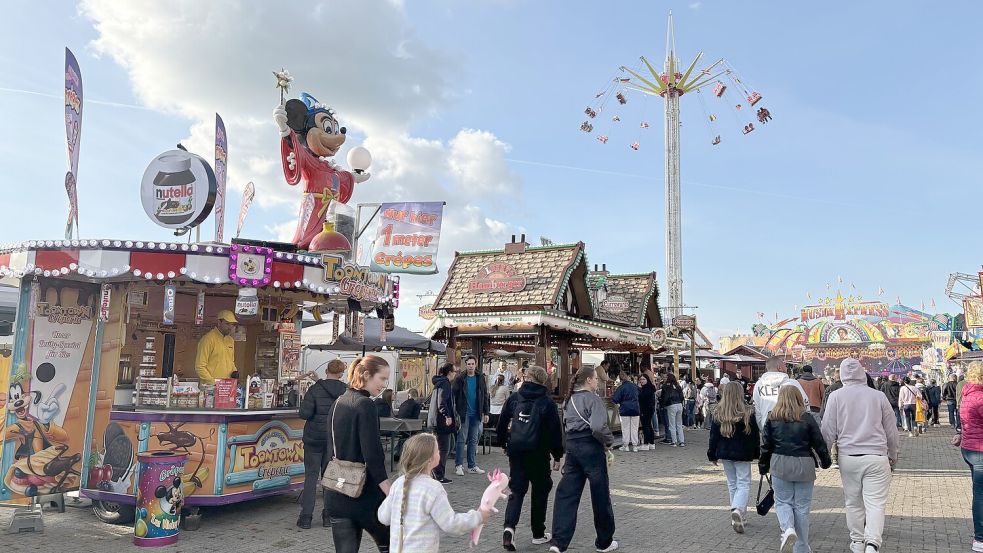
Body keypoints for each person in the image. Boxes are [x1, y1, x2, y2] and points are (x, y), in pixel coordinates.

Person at [822, 358, 897, 553]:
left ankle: (857, 541)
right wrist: (893, 453)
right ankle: (872, 543)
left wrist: (824, 455)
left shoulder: (836, 396)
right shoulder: (878, 396)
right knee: (875, 503)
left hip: (849, 457)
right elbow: (891, 430)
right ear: (862, 373)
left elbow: (828, 429)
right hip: (877, 456)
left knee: (853, 501)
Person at [377, 433, 491, 553]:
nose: (440, 452)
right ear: (430, 459)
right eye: (437, 450)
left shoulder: (398, 483)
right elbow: (450, 524)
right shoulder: (433, 489)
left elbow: (383, 517)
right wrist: (478, 517)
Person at [326, 355, 392, 553]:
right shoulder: (366, 405)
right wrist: (388, 489)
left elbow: (330, 446)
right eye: (382, 379)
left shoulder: (338, 402)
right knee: (392, 545)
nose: (384, 385)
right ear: (366, 375)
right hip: (365, 495)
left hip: (337, 492)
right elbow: (372, 453)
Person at [549, 366, 618, 553]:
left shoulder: (568, 400)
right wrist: (609, 442)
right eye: (596, 379)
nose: (597, 382)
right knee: (600, 495)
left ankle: (558, 542)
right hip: (591, 448)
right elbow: (597, 427)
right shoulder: (593, 400)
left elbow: (565, 427)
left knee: (567, 494)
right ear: (588, 380)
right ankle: (604, 542)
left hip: (573, 448)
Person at [497, 366, 564, 550]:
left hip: (517, 451)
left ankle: (509, 528)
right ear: (543, 381)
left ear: (528, 377)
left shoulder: (515, 397)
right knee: (540, 490)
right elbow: (555, 431)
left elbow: (502, 422)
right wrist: (557, 454)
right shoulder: (547, 402)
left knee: (517, 490)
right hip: (538, 453)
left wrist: (503, 444)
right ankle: (538, 533)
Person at [760, 386, 831, 553]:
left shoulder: (772, 418)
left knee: (782, 501)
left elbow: (765, 446)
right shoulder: (807, 418)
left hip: (780, 463)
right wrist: (825, 461)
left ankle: (787, 528)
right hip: (804, 464)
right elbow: (819, 442)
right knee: (802, 507)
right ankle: (801, 548)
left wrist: (763, 465)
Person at [297, 358, 347, 529]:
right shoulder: (346, 392)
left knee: (311, 477)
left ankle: (305, 518)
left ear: (326, 371)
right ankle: (328, 517)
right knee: (330, 478)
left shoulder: (314, 389)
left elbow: (304, 413)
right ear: (341, 374)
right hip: (333, 440)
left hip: (313, 439)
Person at [708, 382, 760, 534]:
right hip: (743, 453)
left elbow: (713, 436)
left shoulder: (719, 412)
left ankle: (736, 515)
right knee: (743, 483)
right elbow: (754, 436)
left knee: (732, 484)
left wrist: (712, 454)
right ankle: (738, 510)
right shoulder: (748, 412)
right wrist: (757, 453)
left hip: (725, 452)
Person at [958, 361, 983, 552]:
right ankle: (980, 538)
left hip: (969, 448)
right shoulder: (980, 397)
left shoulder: (966, 395)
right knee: (981, 495)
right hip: (980, 449)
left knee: (979, 493)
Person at [452, 355, 490, 476]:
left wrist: (486, 412)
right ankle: (459, 465)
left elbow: (485, 395)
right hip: (464, 413)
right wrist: (456, 411)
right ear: (466, 364)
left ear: (476, 364)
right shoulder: (460, 378)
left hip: (476, 413)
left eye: (472, 364)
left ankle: (472, 465)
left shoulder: (480, 378)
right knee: (461, 439)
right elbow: (454, 395)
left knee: (473, 440)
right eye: (468, 364)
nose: (470, 366)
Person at [752, 357, 809, 432]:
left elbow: (757, 411)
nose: (786, 368)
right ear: (779, 368)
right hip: (791, 428)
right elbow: (805, 405)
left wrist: (762, 429)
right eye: (785, 365)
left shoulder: (759, 385)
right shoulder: (792, 384)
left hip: (767, 428)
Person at [427, 363, 458, 484]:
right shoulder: (445, 383)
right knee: (443, 448)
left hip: (435, 420)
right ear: (450, 372)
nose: (455, 374)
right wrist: (447, 415)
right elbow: (442, 402)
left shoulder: (439, 383)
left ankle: (435, 473)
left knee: (440, 448)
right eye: (454, 372)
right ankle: (438, 475)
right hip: (441, 421)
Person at [195, 310, 238, 384]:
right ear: (219, 323)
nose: (230, 327)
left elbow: (231, 361)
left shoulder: (230, 340)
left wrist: (235, 372)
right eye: (227, 324)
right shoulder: (208, 339)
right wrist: (213, 382)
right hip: (211, 387)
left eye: (232, 324)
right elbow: (200, 366)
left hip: (227, 386)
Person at [611, 370, 641, 452]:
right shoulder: (635, 386)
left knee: (625, 428)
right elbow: (640, 395)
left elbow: (615, 399)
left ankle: (626, 445)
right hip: (635, 409)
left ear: (620, 379)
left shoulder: (621, 388)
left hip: (624, 409)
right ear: (628, 377)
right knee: (635, 428)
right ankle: (635, 446)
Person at [393, 388, 423, 461]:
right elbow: (415, 418)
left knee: (403, 436)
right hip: (409, 427)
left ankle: (398, 452)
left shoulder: (403, 403)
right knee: (424, 430)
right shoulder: (416, 405)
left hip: (400, 426)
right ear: (416, 396)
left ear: (408, 395)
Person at [660, 373, 686, 447]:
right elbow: (682, 396)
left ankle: (674, 441)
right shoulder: (678, 386)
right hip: (679, 405)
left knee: (672, 424)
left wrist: (663, 405)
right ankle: (682, 441)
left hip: (671, 405)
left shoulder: (665, 386)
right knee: (679, 424)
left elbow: (664, 397)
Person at [637, 373, 657, 450]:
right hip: (649, 409)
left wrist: (639, 389)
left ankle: (646, 443)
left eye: (643, 379)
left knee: (646, 426)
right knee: (649, 425)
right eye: (641, 379)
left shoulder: (646, 389)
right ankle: (651, 443)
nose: (641, 381)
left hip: (646, 409)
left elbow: (642, 397)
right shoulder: (649, 388)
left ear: (647, 380)